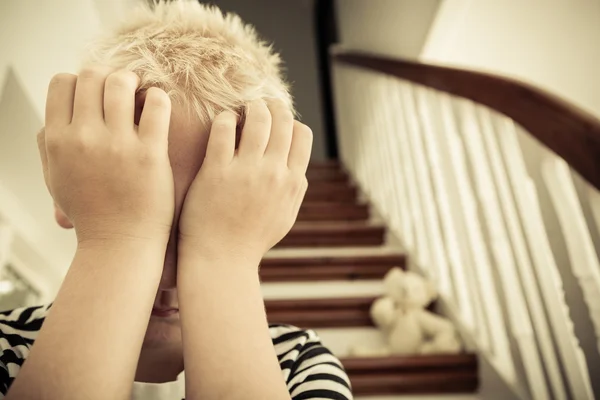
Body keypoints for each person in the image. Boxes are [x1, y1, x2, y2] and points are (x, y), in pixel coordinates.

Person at [0, 1, 353, 399]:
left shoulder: (298, 361)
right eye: (137, 213)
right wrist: (118, 243)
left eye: (204, 224)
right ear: (67, 195)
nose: (167, 278)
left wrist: (223, 258)